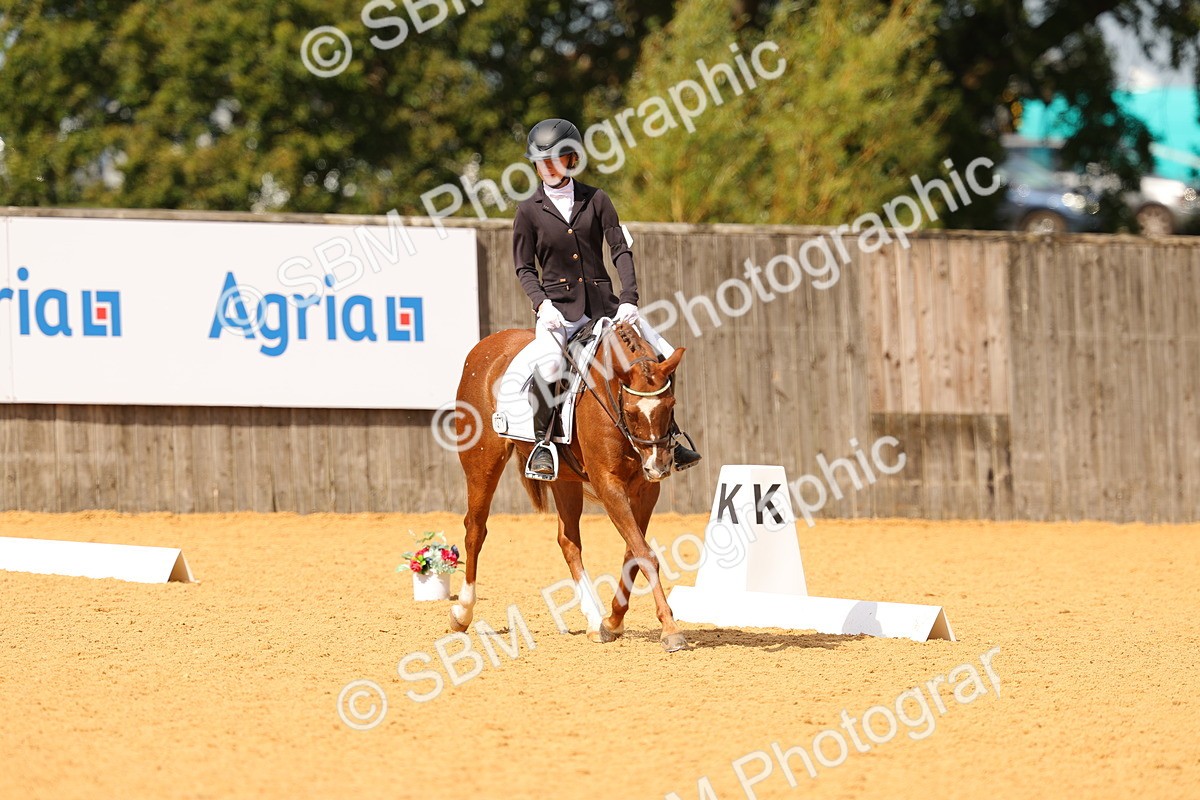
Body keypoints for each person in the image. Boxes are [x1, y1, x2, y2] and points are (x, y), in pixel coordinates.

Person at [512, 117, 702, 479]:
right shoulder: (528, 210)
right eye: (540, 161)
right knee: (551, 364)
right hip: (559, 312)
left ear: (571, 159)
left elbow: (620, 249)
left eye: (554, 159)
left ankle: (671, 439)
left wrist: (629, 298)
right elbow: (524, 268)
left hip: (605, 307)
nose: (547, 168)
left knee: (660, 356)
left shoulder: (596, 199)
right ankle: (542, 445)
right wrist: (542, 304)